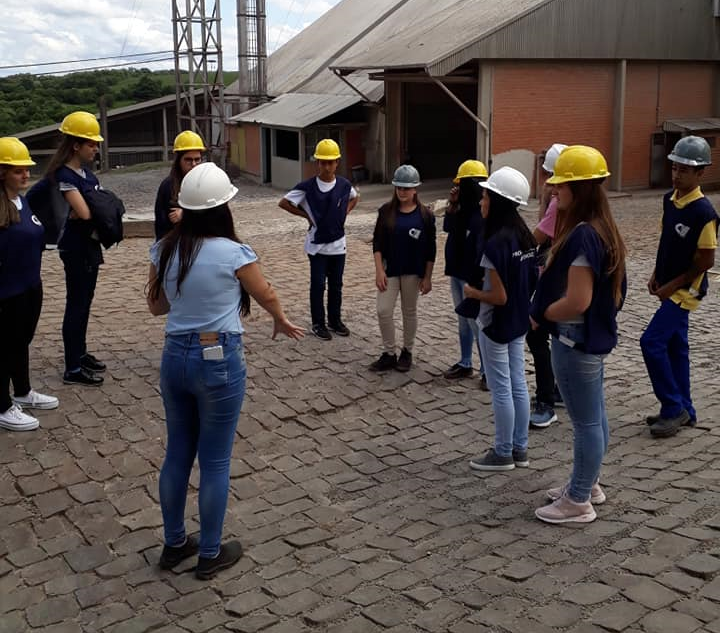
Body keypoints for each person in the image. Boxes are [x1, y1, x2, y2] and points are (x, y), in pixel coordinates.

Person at [147, 162, 304, 580]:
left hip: (174, 357)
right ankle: (211, 552)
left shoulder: (164, 248)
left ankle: (174, 543)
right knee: (214, 459)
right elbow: (264, 291)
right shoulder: (234, 252)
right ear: (223, 209)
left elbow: (157, 307)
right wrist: (280, 318)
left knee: (178, 451)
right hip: (217, 356)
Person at [532, 145, 626, 524]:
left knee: (586, 423)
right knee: (594, 416)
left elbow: (577, 300)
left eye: (562, 186)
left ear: (580, 189)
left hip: (574, 340)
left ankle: (578, 500)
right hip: (587, 340)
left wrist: (542, 313)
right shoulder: (602, 229)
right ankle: (588, 483)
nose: (555, 191)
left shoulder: (584, 236)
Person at [641, 136, 718, 438]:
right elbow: (667, 243)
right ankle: (686, 409)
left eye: (685, 170)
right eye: (674, 168)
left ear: (700, 173)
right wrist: (655, 274)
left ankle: (673, 408)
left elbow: (705, 261)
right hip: (668, 285)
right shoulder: (668, 200)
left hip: (686, 291)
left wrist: (671, 286)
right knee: (676, 348)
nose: (677, 174)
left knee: (651, 342)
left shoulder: (704, 213)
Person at [465, 167, 536, 471]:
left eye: (485, 196)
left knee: (501, 388)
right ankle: (520, 448)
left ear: (497, 201)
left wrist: (472, 291)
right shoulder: (526, 236)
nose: (481, 202)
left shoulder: (495, 244)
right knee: (518, 383)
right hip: (519, 321)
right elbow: (532, 280)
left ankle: (503, 451)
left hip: (495, 325)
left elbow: (498, 296)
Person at [0, 138, 59, 431]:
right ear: (2, 173)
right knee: (4, 347)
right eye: (18, 171)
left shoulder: (22, 201)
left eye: (26, 169)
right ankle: (1, 405)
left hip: (30, 284)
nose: (25, 175)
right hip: (6, 291)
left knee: (21, 342)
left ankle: (22, 391)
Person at [46, 111, 106, 386]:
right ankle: (72, 368)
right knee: (76, 306)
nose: (95, 148)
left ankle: (79, 354)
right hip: (76, 248)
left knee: (85, 303)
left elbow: (100, 205)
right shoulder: (64, 175)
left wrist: (97, 207)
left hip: (89, 246)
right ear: (75, 145)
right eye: (91, 144)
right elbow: (85, 213)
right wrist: (97, 208)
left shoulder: (86, 175)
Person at [278, 139, 359, 340]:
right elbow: (284, 202)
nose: (326, 166)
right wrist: (306, 215)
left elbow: (355, 197)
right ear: (317, 163)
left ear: (337, 163)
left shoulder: (344, 185)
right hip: (317, 247)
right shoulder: (307, 187)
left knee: (336, 285)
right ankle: (318, 323)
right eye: (322, 162)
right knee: (317, 285)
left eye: (330, 162)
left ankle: (335, 320)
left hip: (339, 245)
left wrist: (344, 213)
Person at [369, 165, 436, 373]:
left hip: (413, 271)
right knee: (383, 310)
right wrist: (379, 270)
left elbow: (430, 250)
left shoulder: (425, 215)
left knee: (409, 311)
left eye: (406, 188)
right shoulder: (386, 211)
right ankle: (389, 352)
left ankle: (407, 350)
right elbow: (377, 243)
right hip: (390, 270)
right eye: (399, 187)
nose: (402, 192)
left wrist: (428, 277)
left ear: (415, 189)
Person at [527, 143, 567, 428]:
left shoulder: (557, 203)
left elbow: (538, 237)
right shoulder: (564, 200)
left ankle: (546, 401)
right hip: (560, 275)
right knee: (557, 336)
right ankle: (558, 389)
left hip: (555, 278)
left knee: (537, 333)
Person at [442, 160, 488, 388]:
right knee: (463, 322)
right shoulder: (461, 209)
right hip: (456, 273)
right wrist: (451, 205)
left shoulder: (482, 214)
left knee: (475, 323)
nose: (457, 189)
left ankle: (488, 370)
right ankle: (465, 361)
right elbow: (447, 228)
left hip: (471, 278)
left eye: (461, 185)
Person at [154, 130, 206, 241]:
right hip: (177, 244)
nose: (193, 164)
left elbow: (215, 215)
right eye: (188, 160)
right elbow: (162, 225)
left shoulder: (208, 183)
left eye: (197, 159)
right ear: (178, 160)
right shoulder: (168, 186)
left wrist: (186, 215)